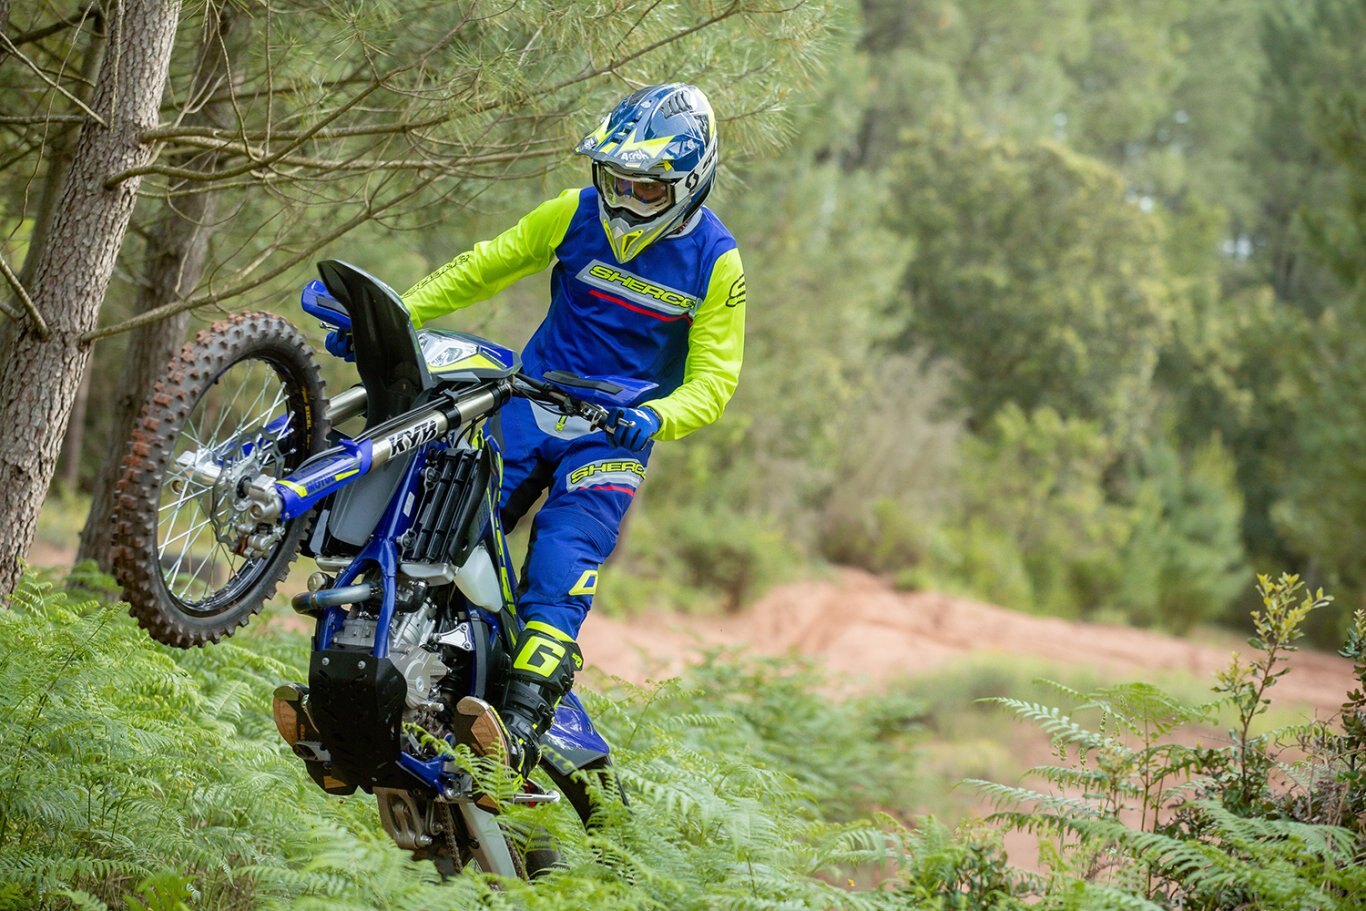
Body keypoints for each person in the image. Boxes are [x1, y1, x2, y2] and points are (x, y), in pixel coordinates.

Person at [328, 83, 747, 784]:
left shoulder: (716, 261)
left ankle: (519, 727)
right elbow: (483, 266)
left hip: (612, 435)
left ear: (690, 183)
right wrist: (394, 320)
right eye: (616, 181)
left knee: (560, 561)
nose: (625, 201)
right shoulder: (575, 212)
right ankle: (379, 676)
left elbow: (715, 380)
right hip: (530, 399)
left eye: (647, 189)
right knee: (441, 527)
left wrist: (656, 416)